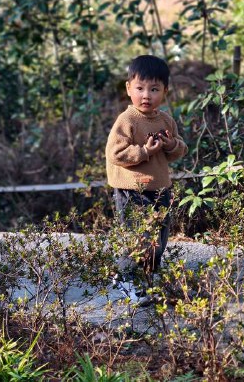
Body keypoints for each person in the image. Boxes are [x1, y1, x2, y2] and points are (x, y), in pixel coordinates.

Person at [105, 55, 188, 304]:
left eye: (154, 89)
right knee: (138, 236)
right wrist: (143, 151)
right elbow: (115, 153)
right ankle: (125, 277)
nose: (146, 95)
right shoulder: (127, 120)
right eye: (140, 88)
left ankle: (150, 277)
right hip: (132, 189)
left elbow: (179, 150)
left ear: (165, 91)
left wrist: (170, 144)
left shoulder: (165, 120)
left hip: (159, 187)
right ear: (128, 88)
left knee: (160, 236)